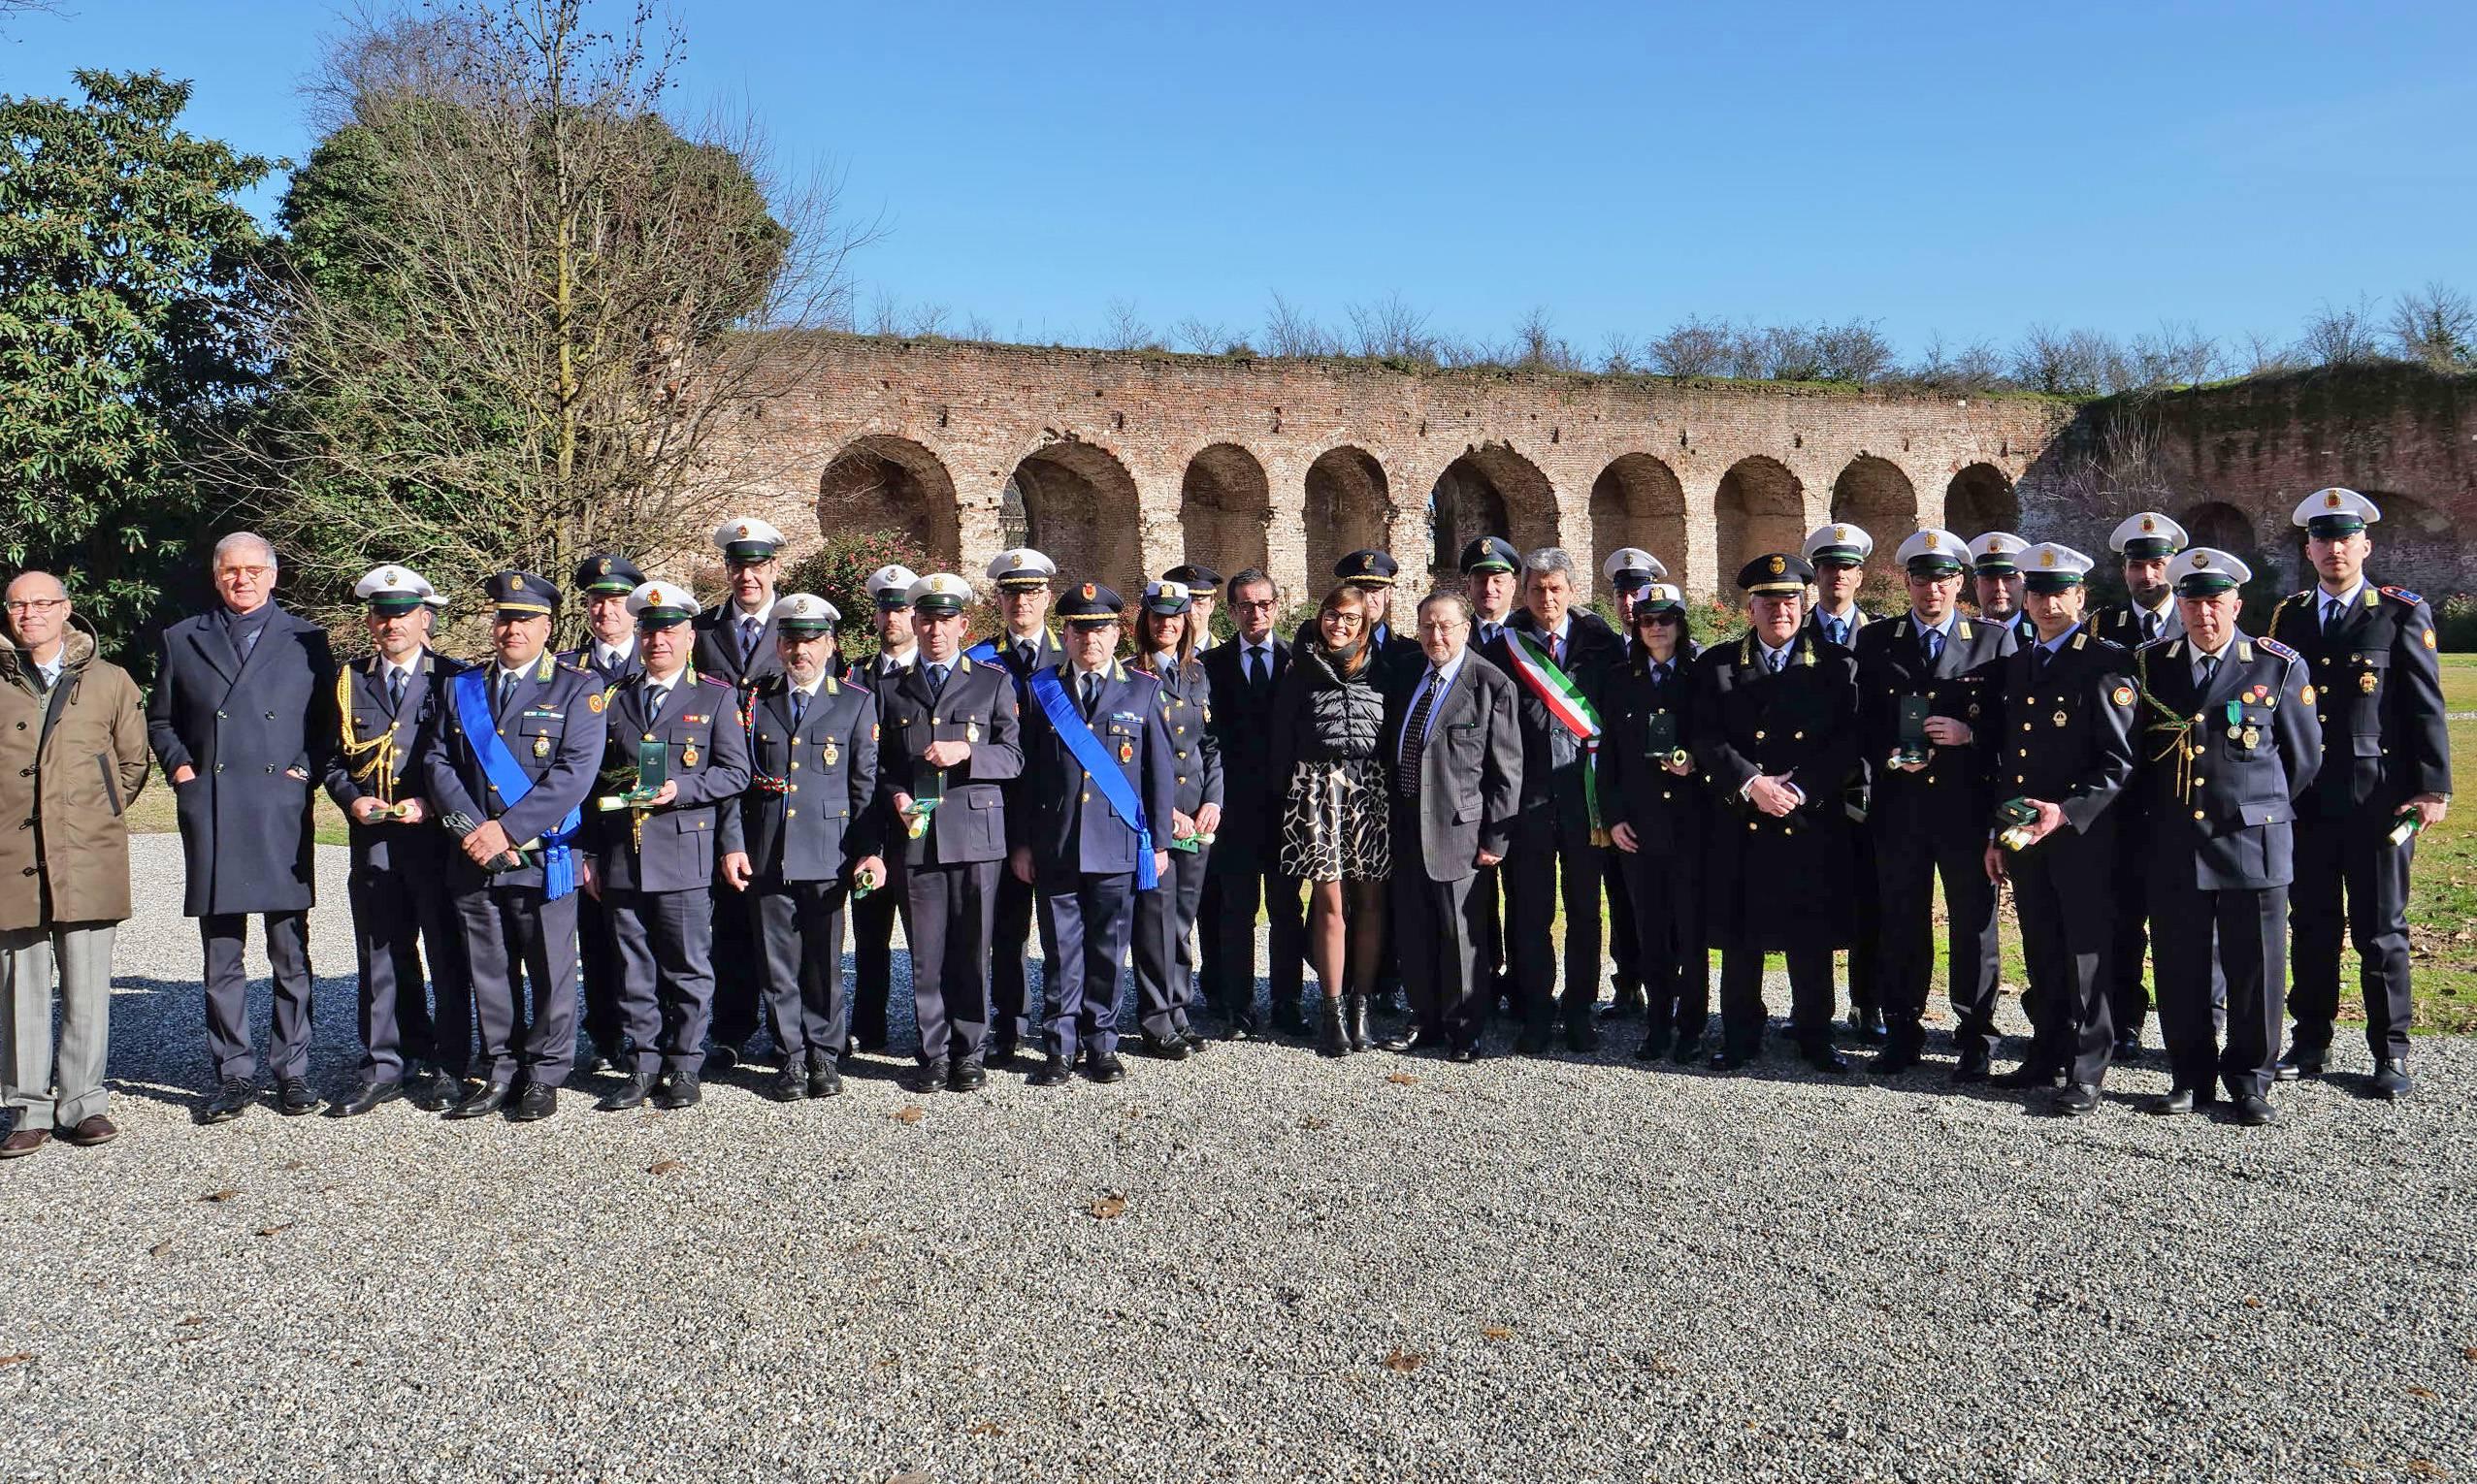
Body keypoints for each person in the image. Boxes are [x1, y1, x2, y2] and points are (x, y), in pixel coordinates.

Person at [2265, 488, 2451, 1099]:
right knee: (2311, 922)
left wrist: (2431, 787)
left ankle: (2390, 1052)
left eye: (2345, 538)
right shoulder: (2288, 617)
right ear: (2308, 547)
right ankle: (2311, 1039)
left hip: (2378, 800)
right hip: (2306, 801)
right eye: (2322, 538)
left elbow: (2426, 708)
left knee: (2381, 929)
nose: (2333, 548)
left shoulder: (2399, 612)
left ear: (2366, 545)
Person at [147, 532, 337, 1122]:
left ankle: (293, 1071)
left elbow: (326, 724)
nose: (243, 579)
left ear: (274, 576)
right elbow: (161, 718)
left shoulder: (308, 638)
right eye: (231, 570)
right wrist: (183, 771)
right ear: (216, 575)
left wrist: (303, 771)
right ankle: (232, 1073)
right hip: (216, 808)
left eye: (255, 570)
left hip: (278, 807)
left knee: (290, 949)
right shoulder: (182, 638)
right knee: (222, 953)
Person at [2129, 548, 2320, 1125]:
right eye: (2192, 601)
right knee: (2180, 964)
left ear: (2237, 604)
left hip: (2252, 839)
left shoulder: (2277, 666)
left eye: (2215, 601)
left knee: (2256, 967)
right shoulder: (2149, 665)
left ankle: (2249, 1078)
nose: (2203, 614)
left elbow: (2304, 761)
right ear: (2178, 605)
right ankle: (2189, 1075)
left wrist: (2258, 808)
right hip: (2174, 841)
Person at [420, 570, 604, 1122]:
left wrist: (507, 829)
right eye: (504, 618)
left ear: (547, 626)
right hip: (473, 853)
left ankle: (545, 1073)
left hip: (542, 853)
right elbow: (436, 762)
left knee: (550, 968)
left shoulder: (578, 688)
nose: (512, 629)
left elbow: (575, 774)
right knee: (489, 968)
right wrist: (471, 830)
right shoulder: (461, 687)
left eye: (524, 619)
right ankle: (500, 1067)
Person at [580, 581, 752, 1113]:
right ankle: (643, 1063)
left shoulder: (715, 696)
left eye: (669, 630)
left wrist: (684, 789)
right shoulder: (614, 698)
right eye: (651, 630)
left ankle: (684, 1064)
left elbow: (735, 773)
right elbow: (592, 784)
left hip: (682, 851)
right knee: (633, 966)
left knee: (686, 966)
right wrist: (589, 854)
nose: (658, 641)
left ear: (688, 636)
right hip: (622, 854)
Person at [1978, 544, 2137, 1116]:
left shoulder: (2104, 663)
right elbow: (2008, 759)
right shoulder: (2019, 663)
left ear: (2080, 598)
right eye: (2038, 592)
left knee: (2085, 954)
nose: (2047, 604)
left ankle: (2089, 1068)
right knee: (2042, 947)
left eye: (2059, 593)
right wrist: (1999, 833)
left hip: (2079, 837)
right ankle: (2045, 1051)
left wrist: (2065, 812)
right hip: (2026, 838)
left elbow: (2118, 763)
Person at [1692, 554, 1862, 1073]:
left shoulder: (1836, 666)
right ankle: (1741, 1035)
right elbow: (1704, 736)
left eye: (1789, 600)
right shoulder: (1718, 665)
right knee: (1741, 936)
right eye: (1768, 601)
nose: (1778, 611)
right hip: (1743, 817)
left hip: (1808, 818)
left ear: (1805, 604)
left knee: (1809, 934)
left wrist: (1803, 788)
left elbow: (1850, 739)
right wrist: (1751, 781)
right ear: (1750, 607)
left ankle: (1815, 1035)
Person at [1857, 529, 2016, 1081]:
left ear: (1960, 584)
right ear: (1907, 582)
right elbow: (1860, 724)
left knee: (1974, 923)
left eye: (1944, 579)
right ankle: (1902, 1030)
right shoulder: (1877, 641)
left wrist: (1970, 734)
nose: (1933, 590)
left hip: (1966, 808)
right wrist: (1890, 754)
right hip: (1900, 806)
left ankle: (1975, 1035)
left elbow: (2015, 727)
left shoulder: (1993, 642)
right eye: (1922, 579)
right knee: (1901, 919)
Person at [0, 572, 147, 1158]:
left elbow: (133, 764)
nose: (28, 613)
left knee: (88, 983)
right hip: (10, 854)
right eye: (16, 604)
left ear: (66, 610)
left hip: (87, 850)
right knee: (19, 984)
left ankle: (83, 1102)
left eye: (40, 603)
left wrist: (97, 809)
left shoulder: (111, 680)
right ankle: (27, 1107)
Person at [722, 593, 884, 1102]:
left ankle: (823, 1052)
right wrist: (732, 844)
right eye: (791, 640)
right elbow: (736, 782)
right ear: (778, 644)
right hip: (767, 851)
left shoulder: (855, 702)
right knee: (777, 961)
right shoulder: (754, 702)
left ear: (831, 645)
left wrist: (868, 849)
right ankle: (790, 1055)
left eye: (811, 640)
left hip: (827, 851)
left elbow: (866, 786)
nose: (801, 651)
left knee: (822, 961)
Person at [1012, 583, 1175, 1085]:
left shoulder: (1143, 690)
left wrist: (1161, 842)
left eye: (1100, 628)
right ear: (1066, 633)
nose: (1090, 639)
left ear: (1117, 632)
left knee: (1109, 949)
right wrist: (1021, 842)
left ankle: (1101, 1042)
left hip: (1118, 842)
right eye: (1080, 629)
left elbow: (1159, 774)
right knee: (1061, 951)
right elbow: (1024, 774)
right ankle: (1059, 1048)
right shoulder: (1042, 688)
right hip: (1056, 844)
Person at [324, 565, 470, 1116]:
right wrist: (350, 799)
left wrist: (435, 804)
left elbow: (466, 761)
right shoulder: (348, 682)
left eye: (403, 613)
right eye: (382, 614)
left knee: (446, 952)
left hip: (436, 841)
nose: (392, 624)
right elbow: (332, 759)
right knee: (381, 953)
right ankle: (386, 1061)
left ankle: (452, 1063)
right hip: (375, 839)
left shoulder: (455, 679)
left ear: (425, 617)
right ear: (369, 621)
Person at [878, 572, 1023, 1094]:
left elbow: (1014, 757)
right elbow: (882, 765)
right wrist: (896, 793)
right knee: (926, 951)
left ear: (963, 624)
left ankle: (970, 1050)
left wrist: (968, 752)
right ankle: (933, 1052)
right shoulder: (891, 689)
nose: (935, 630)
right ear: (913, 624)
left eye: (945, 620)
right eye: (926, 620)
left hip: (976, 835)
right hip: (916, 837)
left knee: (972, 947)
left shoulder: (992, 682)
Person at [1379, 591, 1521, 1061]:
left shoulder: (1489, 683)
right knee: (1415, 931)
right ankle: (1425, 1019)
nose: (1435, 636)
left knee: (1462, 937)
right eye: (1426, 627)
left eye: (1445, 626)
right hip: (1405, 828)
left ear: (1465, 629)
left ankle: (1465, 1028)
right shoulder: (1406, 677)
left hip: (1460, 832)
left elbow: (1507, 769)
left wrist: (1496, 838)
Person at [1496, 548, 1626, 1052]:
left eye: (1555, 589)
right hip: (1527, 799)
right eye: (1536, 590)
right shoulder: (1505, 646)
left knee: (1584, 911)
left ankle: (1578, 1010)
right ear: (1524, 594)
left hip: (1585, 799)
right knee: (1529, 910)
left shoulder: (1602, 645)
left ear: (1572, 592)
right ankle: (1535, 1009)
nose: (1546, 598)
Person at [1270, 584, 1392, 1056]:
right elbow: (1281, 735)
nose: (1338, 624)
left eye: (1349, 618)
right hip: (1315, 790)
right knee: (1330, 904)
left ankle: (1362, 1008)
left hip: (1371, 791)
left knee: (1370, 904)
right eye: (1330, 615)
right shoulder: (1299, 668)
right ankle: (1332, 1010)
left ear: (1366, 624)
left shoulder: (1386, 670)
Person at [2088, 510, 2189, 1061]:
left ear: (2170, 565)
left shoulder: (2195, 620)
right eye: (2135, 565)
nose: (2146, 575)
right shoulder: (2105, 628)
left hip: (2181, 792)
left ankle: (2198, 1022)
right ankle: (2124, 1021)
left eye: (2155, 563)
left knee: (2188, 918)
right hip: (2120, 798)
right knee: (2120, 917)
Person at [1601, 583, 1711, 1064]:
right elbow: (1606, 758)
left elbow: (1719, 738)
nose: (1656, 628)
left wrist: (1696, 763)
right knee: (1649, 931)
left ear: (1680, 624)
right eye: (1647, 621)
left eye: (1665, 619)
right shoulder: (1619, 678)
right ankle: (1658, 1022)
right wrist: (1614, 817)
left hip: (1691, 825)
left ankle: (1692, 1025)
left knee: (1690, 930)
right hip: (1639, 825)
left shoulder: (1701, 673)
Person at [690, 515, 784, 1069]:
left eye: (757, 566)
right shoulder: (701, 632)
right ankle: (729, 1028)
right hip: (718, 790)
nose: (747, 576)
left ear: (774, 569)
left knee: (778, 911)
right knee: (726, 915)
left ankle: (784, 1027)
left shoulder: (802, 627)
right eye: (738, 566)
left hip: (778, 791)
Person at [1198, 568, 1306, 1038]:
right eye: (1244, 605)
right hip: (1235, 809)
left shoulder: (1298, 660)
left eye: (1263, 604)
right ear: (1232, 611)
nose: (1255, 613)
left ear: (1277, 606)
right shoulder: (1212, 664)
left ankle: (1286, 1001)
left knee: (1286, 910)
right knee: (1234, 910)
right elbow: (1207, 738)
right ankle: (1237, 1005)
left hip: (1285, 810)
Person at [972, 547, 1062, 1065]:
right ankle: (1007, 1026)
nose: (1020, 602)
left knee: (1058, 931)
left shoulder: (1068, 655)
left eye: (1030, 592)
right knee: (1004, 933)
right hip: (999, 815)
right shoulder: (981, 661)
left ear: (1046, 597)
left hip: (1055, 816)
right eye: (1010, 593)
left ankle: (1057, 1029)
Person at [559, 552, 646, 1076]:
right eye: (596, 600)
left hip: (653, 823)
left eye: (616, 600)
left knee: (653, 935)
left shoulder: (665, 661)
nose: (605, 610)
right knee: (596, 935)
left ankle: (652, 1037)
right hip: (590, 824)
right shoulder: (568, 670)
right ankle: (607, 1032)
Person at [1128, 579, 1222, 1058]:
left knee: (1182, 918)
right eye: (1158, 616)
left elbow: (1211, 748)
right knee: (1154, 921)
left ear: (1187, 621)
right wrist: (1163, 813)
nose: (1167, 624)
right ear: (1144, 621)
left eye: (1176, 616)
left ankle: (1178, 1010)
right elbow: (1124, 760)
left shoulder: (1197, 677)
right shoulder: (1128, 678)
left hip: (1197, 821)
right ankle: (1154, 1017)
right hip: (1155, 823)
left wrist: (1213, 802)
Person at [1801, 521, 1885, 1045]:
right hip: (1809, 790)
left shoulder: (1879, 637)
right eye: (1828, 567)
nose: (1837, 576)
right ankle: (1811, 1007)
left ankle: (1867, 1002)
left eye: (1846, 567)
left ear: (1860, 575)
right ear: (1816, 575)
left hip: (1866, 789)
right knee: (1809, 896)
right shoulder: (1794, 633)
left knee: (1869, 898)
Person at [848, 564, 920, 1059]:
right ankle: (867, 1024)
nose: (891, 616)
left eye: (900, 608)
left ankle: (929, 1028)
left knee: (925, 937)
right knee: (869, 935)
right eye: (884, 608)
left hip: (917, 823)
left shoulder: (932, 675)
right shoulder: (853, 676)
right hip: (864, 822)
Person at [1595, 546, 1665, 1023]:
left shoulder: (1681, 652)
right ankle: (1627, 984)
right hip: (1612, 790)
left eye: (1637, 590)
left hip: (1665, 798)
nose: (1629, 600)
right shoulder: (1599, 651)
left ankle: (1669, 984)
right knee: (1618, 892)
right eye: (1622, 591)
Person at [1458, 536, 1522, 1018]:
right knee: (1474, 901)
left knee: (1525, 898)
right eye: (1481, 579)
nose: (1489, 587)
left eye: (1498, 579)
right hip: (1464, 793)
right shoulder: (1456, 637)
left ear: (1513, 585)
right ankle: (1480, 987)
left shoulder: (1528, 639)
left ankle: (1522, 989)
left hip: (1520, 791)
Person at [1969, 532, 2037, 642]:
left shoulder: (2040, 637)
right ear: (1976, 585)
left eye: (2009, 578)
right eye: (1990, 579)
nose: (1999, 587)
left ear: (2024, 584)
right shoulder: (1959, 638)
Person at [1163, 563, 1222, 651]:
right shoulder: (1155, 656)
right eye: (1184, 603)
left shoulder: (1228, 656)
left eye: (1199, 604)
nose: (1191, 611)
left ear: (1211, 606)